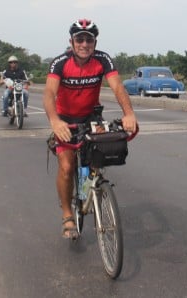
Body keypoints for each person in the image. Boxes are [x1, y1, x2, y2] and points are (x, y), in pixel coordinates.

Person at [43, 19, 137, 239]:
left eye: (89, 39)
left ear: (95, 42)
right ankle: (67, 215)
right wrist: (55, 121)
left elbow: (117, 87)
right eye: (80, 39)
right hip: (66, 120)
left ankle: (89, 190)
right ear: (72, 42)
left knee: (98, 158)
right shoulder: (60, 63)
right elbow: (48, 93)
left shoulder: (103, 60)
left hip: (91, 117)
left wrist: (129, 113)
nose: (84, 43)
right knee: (67, 166)